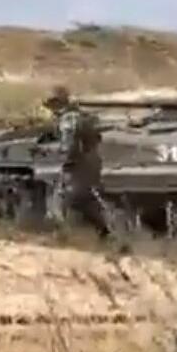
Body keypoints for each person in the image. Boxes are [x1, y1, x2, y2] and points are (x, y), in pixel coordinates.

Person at [44, 86, 110, 239]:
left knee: (57, 204)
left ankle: (61, 238)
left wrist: (52, 153)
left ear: (57, 103)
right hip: (92, 164)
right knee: (86, 202)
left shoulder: (68, 120)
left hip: (76, 167)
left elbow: (69, 146)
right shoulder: (82, 115)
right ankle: (108, 235)